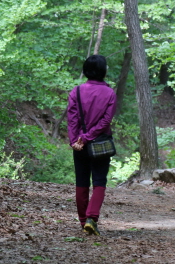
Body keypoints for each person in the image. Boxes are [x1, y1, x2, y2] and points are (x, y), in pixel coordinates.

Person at [67, 54, 116, 236]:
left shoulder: (76, 91)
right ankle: (91, 218)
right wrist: (87, 137)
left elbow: (71, 120)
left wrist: (75, 140)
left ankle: (82, 222)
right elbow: (105, 121)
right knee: (99, 182)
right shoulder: (110, 93)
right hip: (100, 144)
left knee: (81, 182)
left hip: (79, 144)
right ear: (103, 71)